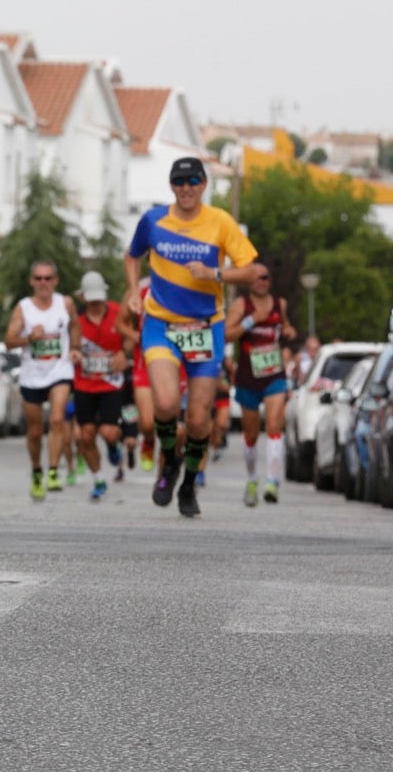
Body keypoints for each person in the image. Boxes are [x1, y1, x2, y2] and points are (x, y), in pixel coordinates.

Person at [125, 157, 260, 517]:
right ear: (172, 186)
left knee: (199, 420)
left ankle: (187, 484)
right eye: (180, 181)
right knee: (165, 406)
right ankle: (170, 461)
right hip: (161, 324)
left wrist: (214, 272)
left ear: (203, 185)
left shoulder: (219, 221)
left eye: (193, 181)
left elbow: (250, 270)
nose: (186, 188)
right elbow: (132, 255)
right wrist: (130, 291)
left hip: (204, 328)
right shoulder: (153, 220)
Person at [5, 259, 80, 500]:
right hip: (32, 375)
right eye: (38, 279)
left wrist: (75, 347)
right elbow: (9, 341)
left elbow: (75, 326)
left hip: (60, 370)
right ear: (31, 282)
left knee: (58, 419)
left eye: (48, 278)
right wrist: (29, 337)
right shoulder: (23, 308)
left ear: (55, 281)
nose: (43, 283)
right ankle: (37, 471)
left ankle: (54, 470)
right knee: (35, 432)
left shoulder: (65, 303)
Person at [225, 261, 296, 505]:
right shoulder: (241, 305)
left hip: (274, 374)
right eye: (256, 278)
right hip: (248, 376)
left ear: (270, 280)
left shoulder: (280, 304)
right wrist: (251, 320)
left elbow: (284, 326)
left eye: (265, 277)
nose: (261, 282)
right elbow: (226, 334)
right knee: (251, 434)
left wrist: (289, 331)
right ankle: (252, 478)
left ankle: (273, 482)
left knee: (275, 426)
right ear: (248, 282)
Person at [71, 271, 127, 501]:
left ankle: (114, 446)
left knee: (108, 432)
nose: (95, 302)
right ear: (83, 297)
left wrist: (124, 353)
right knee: (86, 436)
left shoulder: (118, 312)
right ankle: (99, 480)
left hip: (111, 384)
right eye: (90, 298)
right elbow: (68, 346)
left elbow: (133, 337)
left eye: (98, 297)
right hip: (84, 384)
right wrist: (73, 354)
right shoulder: (76, 322)